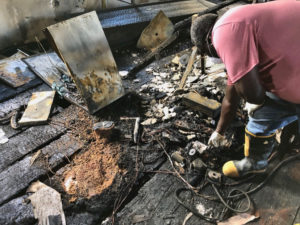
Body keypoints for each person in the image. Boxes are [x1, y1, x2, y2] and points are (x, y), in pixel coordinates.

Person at [190, 0, 300, 178]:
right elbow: (230, 98)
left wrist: (257, 101)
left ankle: (255, 164)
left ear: (206, 43)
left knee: (262, 114)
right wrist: (219, 132)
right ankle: (293, 141)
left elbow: (254, 96)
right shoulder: (237, 18)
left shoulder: (223, 34)